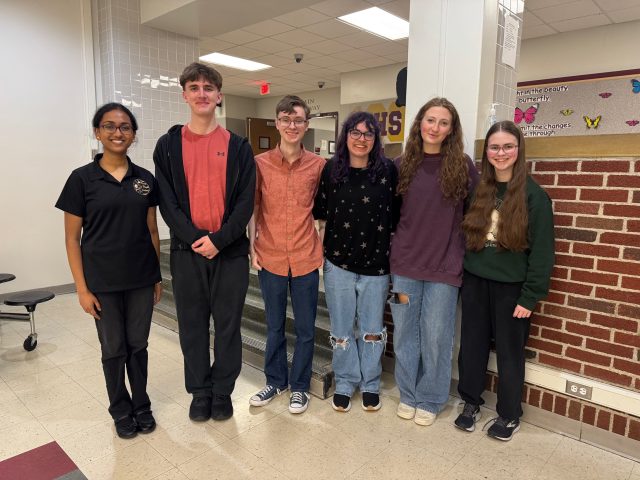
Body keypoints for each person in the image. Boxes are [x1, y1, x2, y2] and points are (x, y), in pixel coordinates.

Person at [153, 62, 255, 422]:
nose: (201, 93)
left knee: (227, 325)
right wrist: (198, 239)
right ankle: (199, 391)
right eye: (194, 87)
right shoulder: (167, 146)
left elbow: (245, 202)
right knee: (192, 324)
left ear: (219, 96)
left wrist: (219, 240)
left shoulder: (239, 147)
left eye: (208, 87)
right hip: (186, 251)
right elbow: (168, 203)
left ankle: (222, 390)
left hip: (230, 253)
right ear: (184, 95)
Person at [56, 103, 162, 439]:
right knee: (113, 348)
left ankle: (141, 404)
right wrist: (82, 289)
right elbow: (73, 239)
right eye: (110, 126)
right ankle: (120, 409)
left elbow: (152, 231)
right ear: (97, 132)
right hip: (102, 282)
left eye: (125, 127)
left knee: (138, 345)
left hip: (141, 279)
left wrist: (156, 275)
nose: (118, 133)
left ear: (133, 134)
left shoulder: (144, 179)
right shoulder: (81, 179)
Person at [455, 120, 554, 441]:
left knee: (510, 353)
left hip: (512, 289)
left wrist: (530, 297)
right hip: (475, 283)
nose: (501, 153)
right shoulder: (478, 190)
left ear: (518, 150)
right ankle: (470, 402)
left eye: (508, 146)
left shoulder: (535, 197)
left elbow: (542, 253)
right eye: (495, 147)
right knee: (471, 347)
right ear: (487, 152)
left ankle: (509, 414)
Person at [389, 97, 479, 426]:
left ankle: (431, 397)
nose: (435, 128)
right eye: (430, 120)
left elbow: (474, 214)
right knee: (404, 334)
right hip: (405, 269)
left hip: (445, 268)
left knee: (436, 336)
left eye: (443, 122)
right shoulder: (401, 165)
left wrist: (461, 252)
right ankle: (408, 394)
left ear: (451, 129)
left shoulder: (464, 165)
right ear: (419, 124)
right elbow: (393, 215)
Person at [313, 111, 397, 413]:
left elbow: (396, 217)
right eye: (356, 133)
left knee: (372, 328)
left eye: (368, 134)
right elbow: (321, 214)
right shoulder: (331, 169)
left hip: (376, 266)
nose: (361, 139)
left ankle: (371, 382)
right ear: (345, 135)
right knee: (342, 329)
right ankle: (347, 381)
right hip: (338, 264)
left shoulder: (388, 170)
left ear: (376, 139)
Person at [248, 95, 325, 414]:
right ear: (277, 123)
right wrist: (252, 246)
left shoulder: (319, 166)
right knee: (275, 325)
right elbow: (253, 208)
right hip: (271, 255)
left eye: (298, 120)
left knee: (306, 328)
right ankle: (276, 380)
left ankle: (301, 387)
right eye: (285, 119)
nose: (292, 126)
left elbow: (324, 212)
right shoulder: (260, 163)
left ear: (306, 125)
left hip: (306, 256)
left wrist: (322, 244)